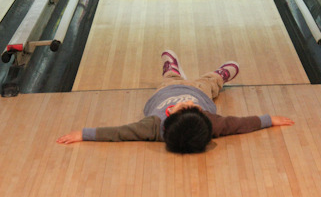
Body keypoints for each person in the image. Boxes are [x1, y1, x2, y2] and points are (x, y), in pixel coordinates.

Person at [57, 50, 294, 153]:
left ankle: (171, 69)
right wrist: (269, 120)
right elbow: (240, 123)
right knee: (209, 83)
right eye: (195, 110)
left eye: (187, 107)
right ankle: (218, 76)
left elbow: (120, 132)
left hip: (166, 91)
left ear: (169, 115)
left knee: (169, 78)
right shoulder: (210, 123)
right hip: (201, 90)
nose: (191, 104)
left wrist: (84, 134)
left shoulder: (151, 126)